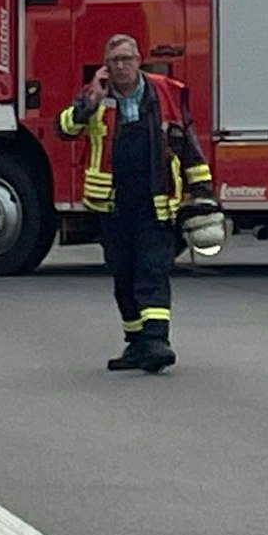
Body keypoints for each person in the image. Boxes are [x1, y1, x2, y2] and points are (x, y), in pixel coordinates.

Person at [57, 35, 220, 374]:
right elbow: (65, 130)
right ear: (106, 64)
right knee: (123, 275)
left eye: (126, 58)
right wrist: (90, 102)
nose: (121, 66)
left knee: (152, 269)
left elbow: (186, 143)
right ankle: (136, 343)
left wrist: (202, 190)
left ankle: (158, 341)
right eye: (114, 60)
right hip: (113, 205)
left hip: (154, 201)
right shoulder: (94, 97)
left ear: (138, 59)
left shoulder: (164, 93)